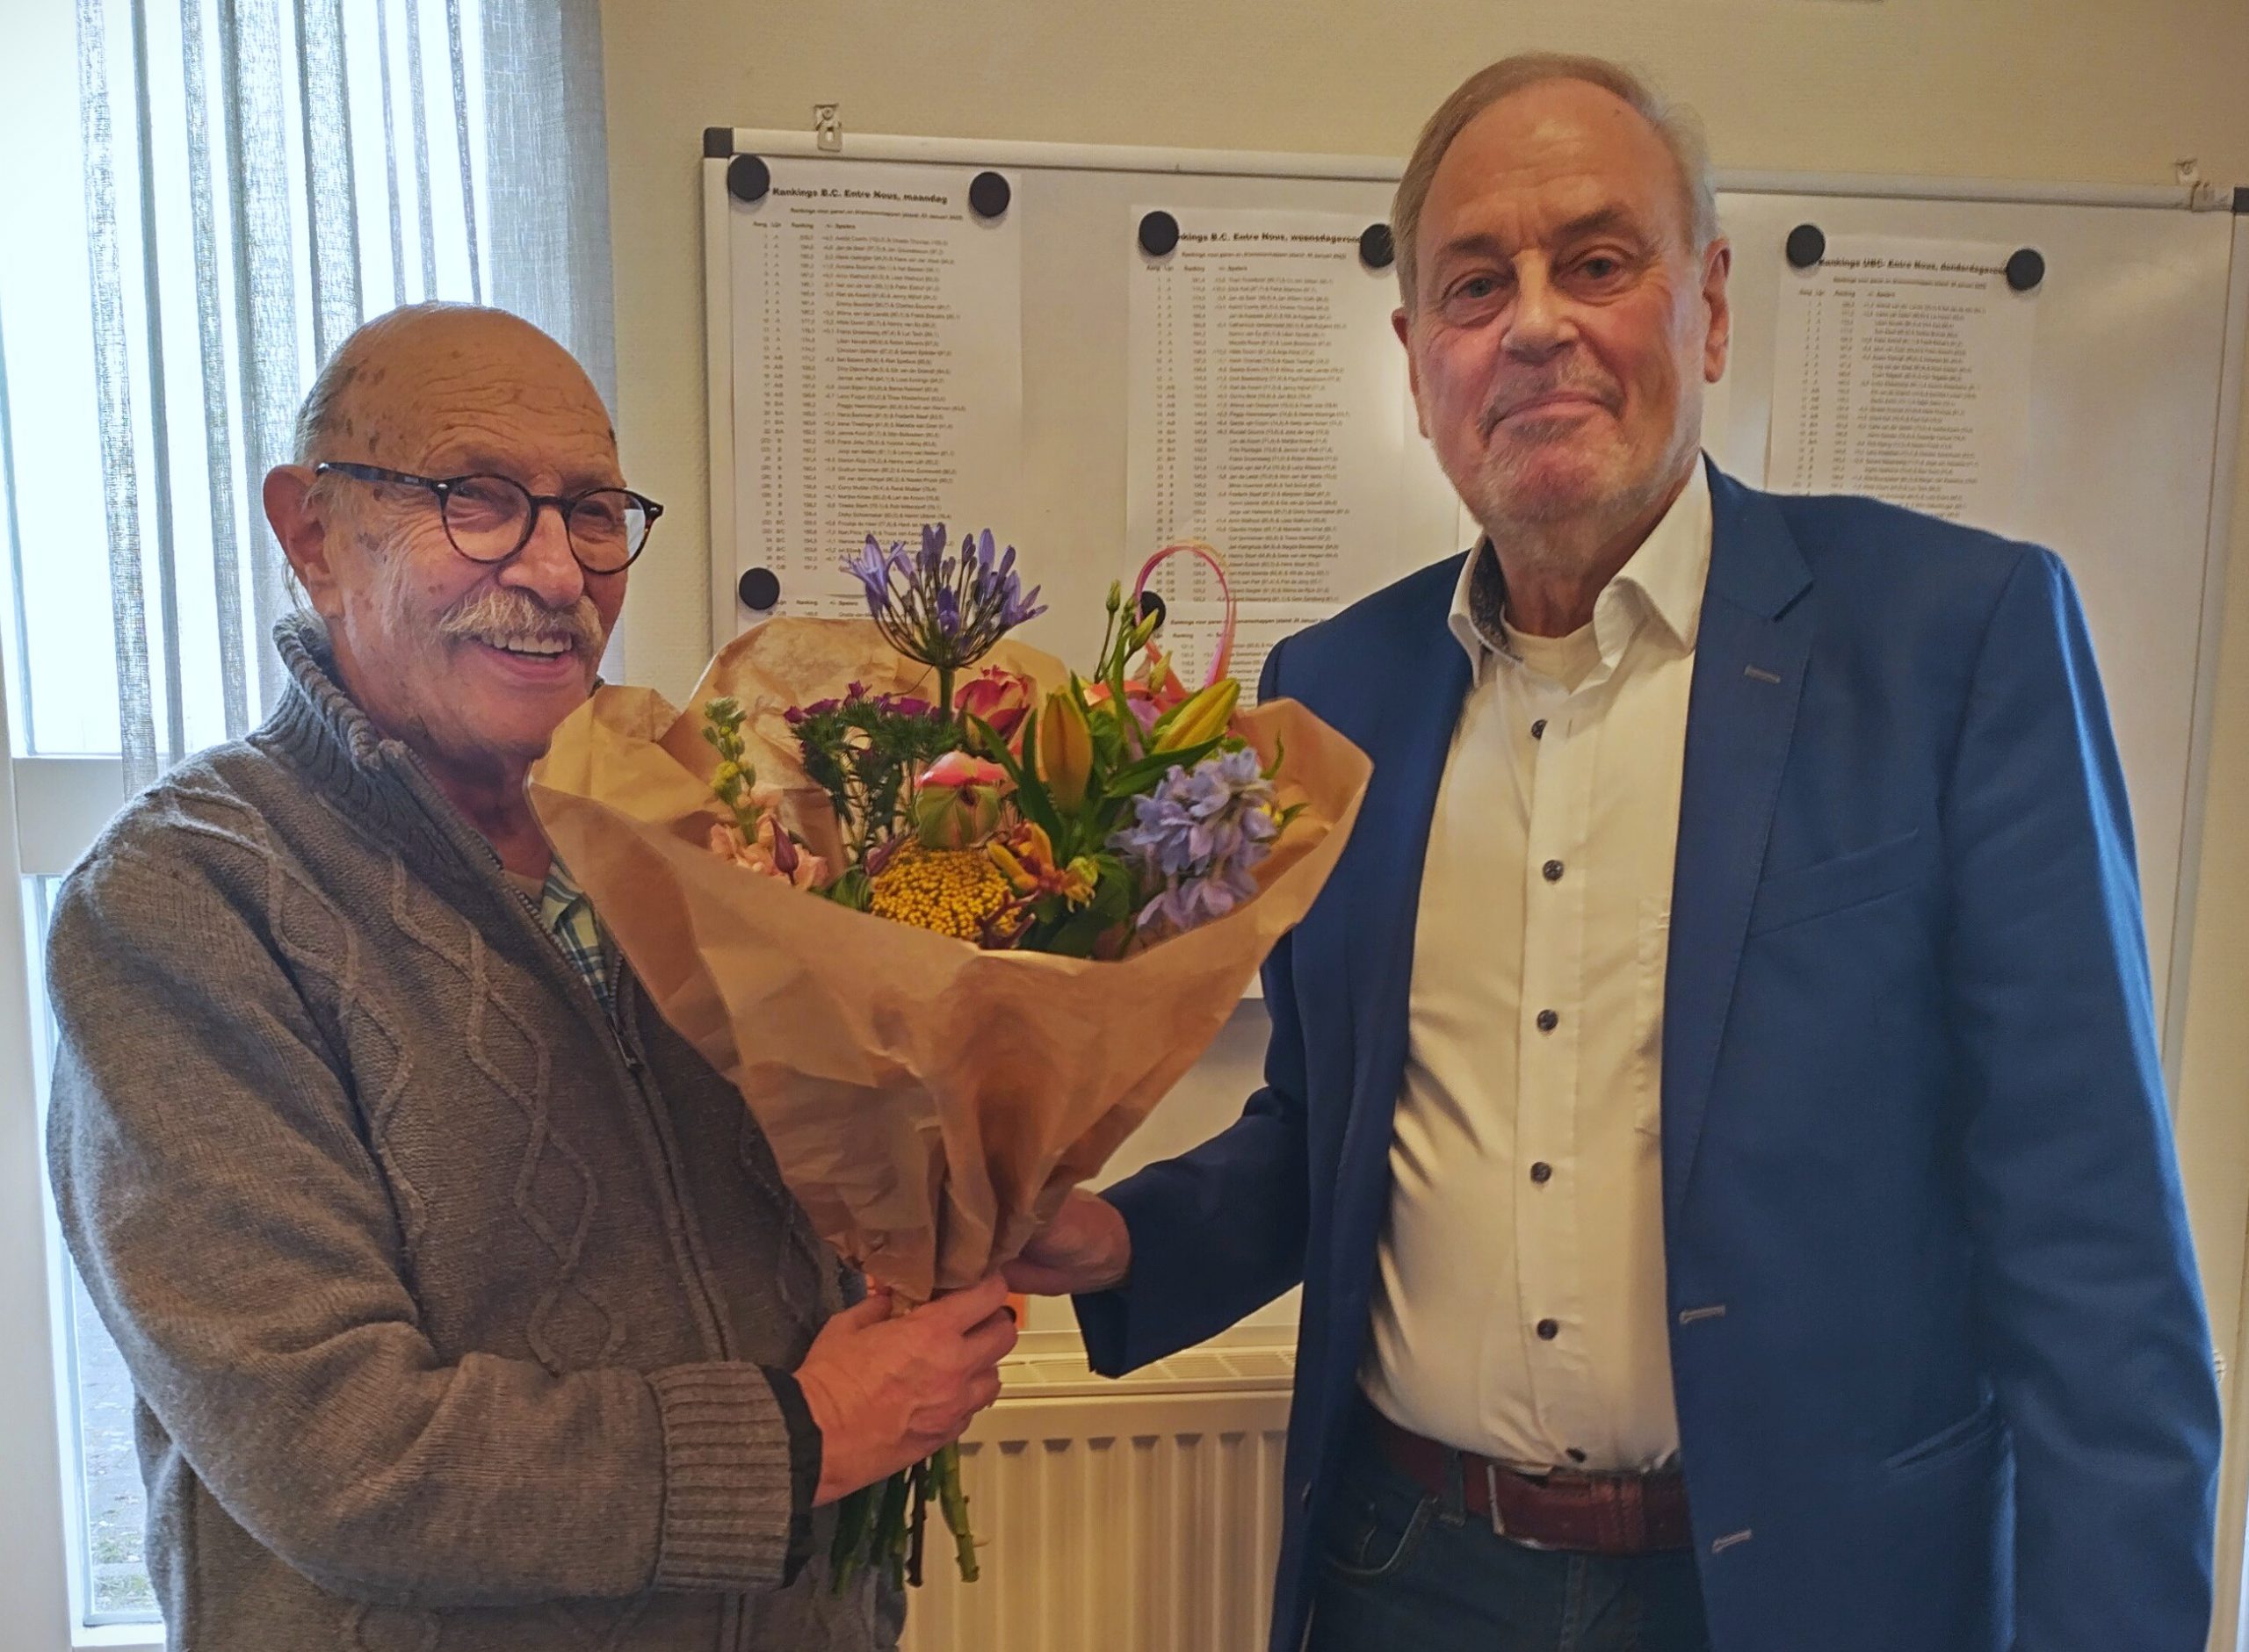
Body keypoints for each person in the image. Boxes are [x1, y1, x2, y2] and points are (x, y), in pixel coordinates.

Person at [1009, 53, 2221, 1652]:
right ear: (1416, 361)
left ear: (1707, 307)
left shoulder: (1954, 641)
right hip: (1410, 1573)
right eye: (1474, 284)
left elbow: (2095, 1256)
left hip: (1808, 1597)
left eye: (1595, 261)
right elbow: (1333, 1125)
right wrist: (1123, 1238)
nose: (1532, 325)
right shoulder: (1336, 695)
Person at [46, 302, 1016, 1651]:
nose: (559, 571)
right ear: (312, 533)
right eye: (478, 498)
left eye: (594, 512)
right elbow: (336, 1447)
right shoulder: (186, 900)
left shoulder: (711, 836)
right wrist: (806, 1434)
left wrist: (966, 1210)